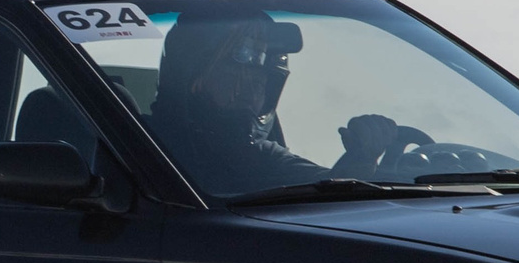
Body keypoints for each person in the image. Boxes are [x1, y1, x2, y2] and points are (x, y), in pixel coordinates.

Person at [148, 12, 415, 198]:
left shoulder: (257, 153)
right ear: (193, 75)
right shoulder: (145, 149)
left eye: (263, 75)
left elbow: (328, 193)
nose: (254, 85)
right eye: (236, 68)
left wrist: (362, 158)